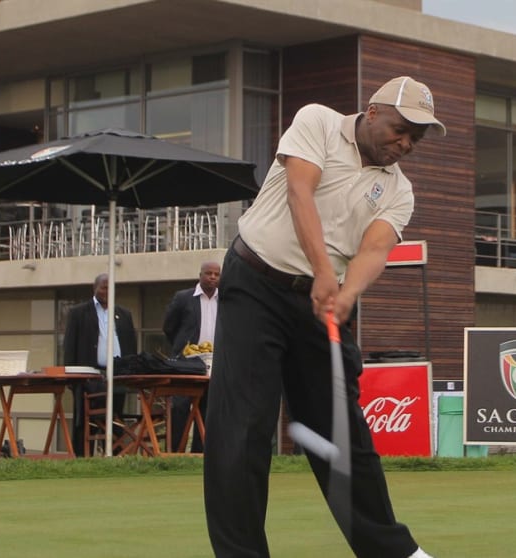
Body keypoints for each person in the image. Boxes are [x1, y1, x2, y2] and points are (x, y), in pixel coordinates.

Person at [204, 76, 444, 558]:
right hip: (255, 283)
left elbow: (375, 249)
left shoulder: (399, 191)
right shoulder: (317, 120)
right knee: (244, 427)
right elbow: (300, 193)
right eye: (401, 129)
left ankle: (391, 551)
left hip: (320, 302)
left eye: (415, 138)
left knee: (343, 432)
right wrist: (322, 273)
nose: (406, 144)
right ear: (373, 112)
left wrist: (347, 292)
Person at [63, 272, 138, 457]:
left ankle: (114, 456)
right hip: (89, 376)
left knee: (115, 419)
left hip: (117, 376)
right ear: (95, 288)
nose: (107, 291)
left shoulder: (124, 314)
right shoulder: (79, 313)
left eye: (111, 288)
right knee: (86, 421)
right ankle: (81, 459)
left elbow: (131, 345)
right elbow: (69, 346)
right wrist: (71, 378)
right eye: (104, 287)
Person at [162, 260, 220, 452]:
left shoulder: (226, 300)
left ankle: (201, 454)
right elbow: (169, 327)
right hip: (186, 363)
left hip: (214, 364)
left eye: (216, 274)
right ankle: (174, 453)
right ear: (200, 275)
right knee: (180, 407)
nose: (212, 277)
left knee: (208, 409)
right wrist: (182, 349)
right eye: (208, 273)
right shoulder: (183, 298)